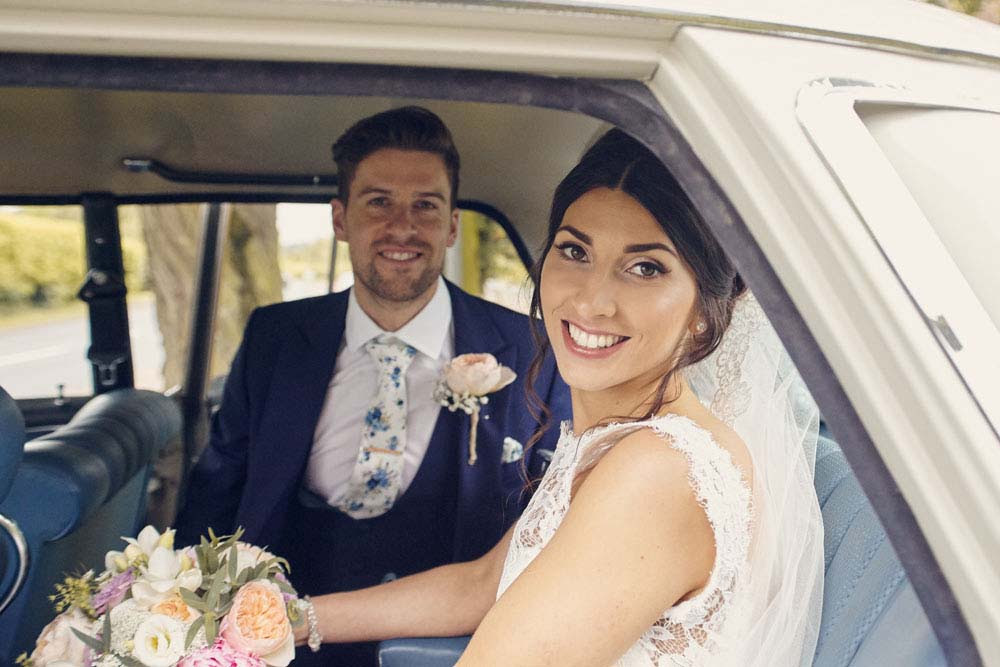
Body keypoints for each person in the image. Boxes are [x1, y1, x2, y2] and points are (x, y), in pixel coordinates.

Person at [294, 128, 825, 665]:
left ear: (706, 311)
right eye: (575, 251)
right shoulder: (615, 440)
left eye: (645, 268)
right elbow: (480, 585)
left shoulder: (658, 471)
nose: (593, 302)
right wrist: (291, 617)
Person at [174, 106, 571, 665]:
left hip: (450, 650)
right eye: (379, 202)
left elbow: (550, 513)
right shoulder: (275, 338)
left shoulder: (530, 349)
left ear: (452, 224)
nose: (403, 227)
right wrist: (184, 614)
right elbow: (216, 490)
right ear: (340, 219)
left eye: (426, 206)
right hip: (275, 641)